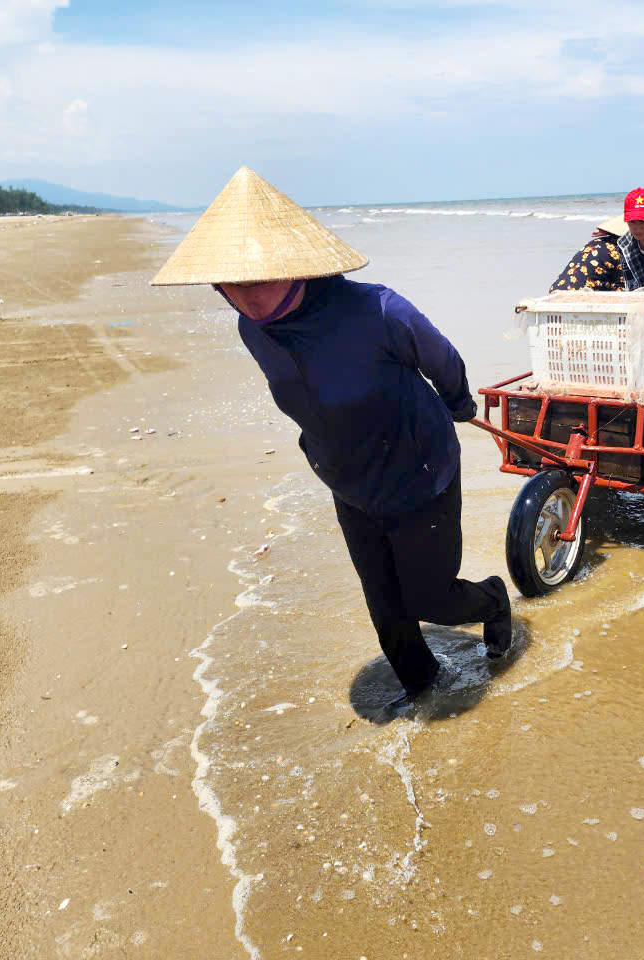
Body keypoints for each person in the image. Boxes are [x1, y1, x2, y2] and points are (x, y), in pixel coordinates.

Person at [150, 167, 514, 715]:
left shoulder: (380, 311)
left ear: (297, 267)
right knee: (384, 603)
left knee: (427, 597)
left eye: (256, 278)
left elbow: (444, 360)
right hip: (346, 476)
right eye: (227, 283)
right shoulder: (253, 330)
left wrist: (458, 403)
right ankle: (421, 690)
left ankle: (492, 598)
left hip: (419, 472)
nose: (242, 296)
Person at [549, 214, 627, 291]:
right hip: (580, 297)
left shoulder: (596, 243)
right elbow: (621, 290)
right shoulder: (620, 250)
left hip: (558, 291)